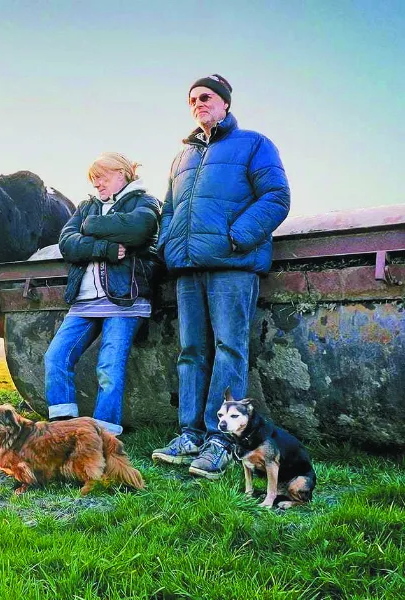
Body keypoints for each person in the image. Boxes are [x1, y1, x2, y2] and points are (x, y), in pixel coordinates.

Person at [150, 74, 290, 478]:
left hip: (232, 265)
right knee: (191, 351)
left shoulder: (254, 144)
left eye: (206, 97)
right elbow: (170, 209)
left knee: (230, 349)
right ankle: (190, 434)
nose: (198, 103)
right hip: (189, 267)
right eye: (192, 99)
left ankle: (221, 440)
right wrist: (169, 246)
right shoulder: (182, 158)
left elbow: (277, 197)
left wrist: (236, 237)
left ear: (225, 103)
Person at [44, 152, 160, 435]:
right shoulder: (86, 206)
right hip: (85, 301)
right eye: (94, 180)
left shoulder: (145, 201)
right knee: (55, 357)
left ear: (121, 173)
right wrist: (104, 248)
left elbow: (138, 230)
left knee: (108, 368)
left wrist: (90, 227)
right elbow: (67, 243)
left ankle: (105, 437)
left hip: (124, 300)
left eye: (101, 178)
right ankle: (66, 431)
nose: (96, 185)